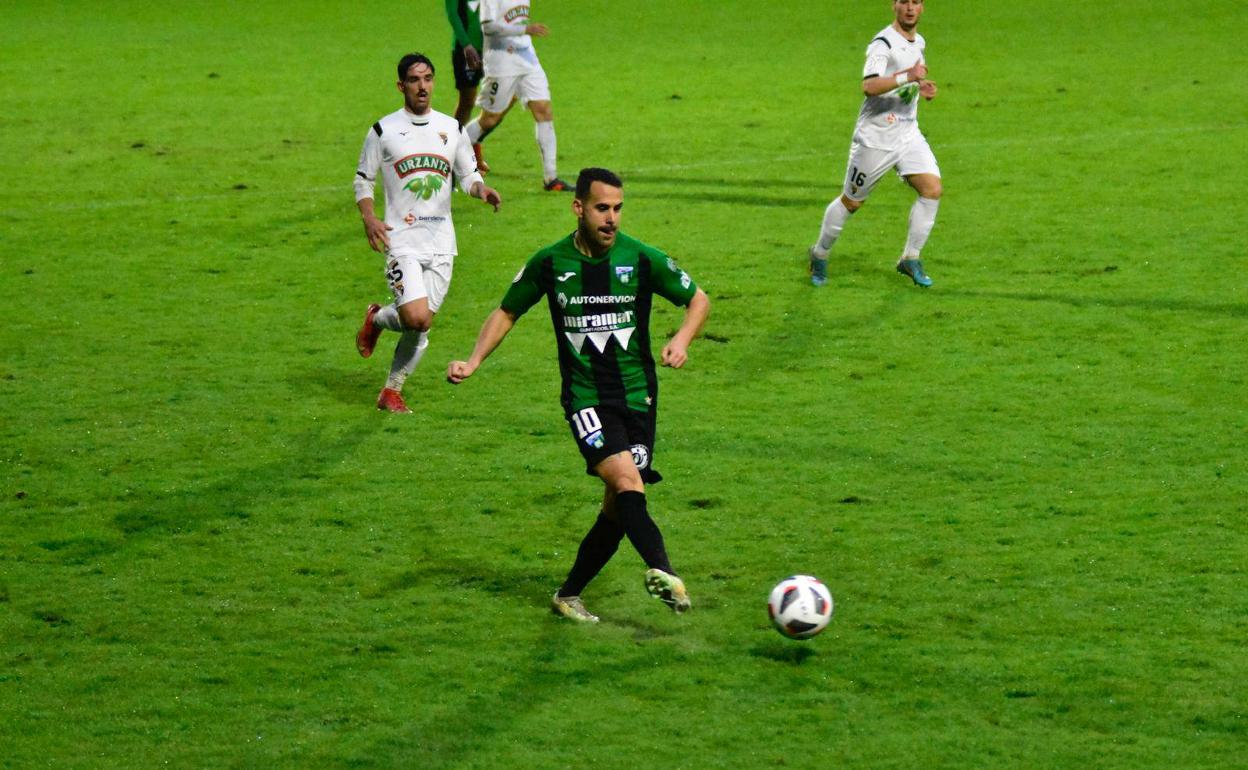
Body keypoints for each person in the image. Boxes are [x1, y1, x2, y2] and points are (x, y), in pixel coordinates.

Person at [447, 168, 711, 622]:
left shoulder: (640, 258)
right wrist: (473, 360)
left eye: (618, 208)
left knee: (617, 505)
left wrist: (682, 340)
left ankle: (568, 594)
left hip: (638, 398)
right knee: (628, 483)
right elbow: (507, 311)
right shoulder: (551, 263)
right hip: (586, 399)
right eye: (602, 208)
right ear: (579, 208)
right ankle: (664, 572)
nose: (611, 219)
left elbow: (699, 299)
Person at [353, 53, 501, 414]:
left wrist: (481, 190)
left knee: (420, 323)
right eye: (415, 80)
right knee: (417, 318)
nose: (423, 86)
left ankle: (389, 384)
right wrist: (370, 218)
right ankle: (390, 377)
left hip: (441, 243)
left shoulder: (451, 129)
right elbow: (363, 179)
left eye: (429, 78)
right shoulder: (383, 130)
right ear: (401, 86)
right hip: (401, 239)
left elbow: (467, 174)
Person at [809, 0, 942, 288]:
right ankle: (820, 253)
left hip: (907, 133)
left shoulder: (918, 41)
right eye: (904, 2)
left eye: (915, 2)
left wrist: (920, 86)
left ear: (923, 7)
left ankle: (910, 258)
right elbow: (869, 86)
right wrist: (909, 76)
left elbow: (905, 79)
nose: (910, 8)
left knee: (932, 189)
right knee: (852, 202)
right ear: (893, 5)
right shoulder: (882, 43)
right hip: (876, 138)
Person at [462, 0, 571, 191]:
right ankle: (449, 155)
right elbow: (488, 27)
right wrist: (524, 30)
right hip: (501, 62)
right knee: (489, 119)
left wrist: (524, 33)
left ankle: (551, 178)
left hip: (527, 58)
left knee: (543, 110)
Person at [445, 0, 491, 172]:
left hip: (491, 48)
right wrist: (466, 44)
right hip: (465, 50)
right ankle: (450, 152)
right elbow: (453, 14)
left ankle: (474, 151)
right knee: (467, 101)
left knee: (493, 101)